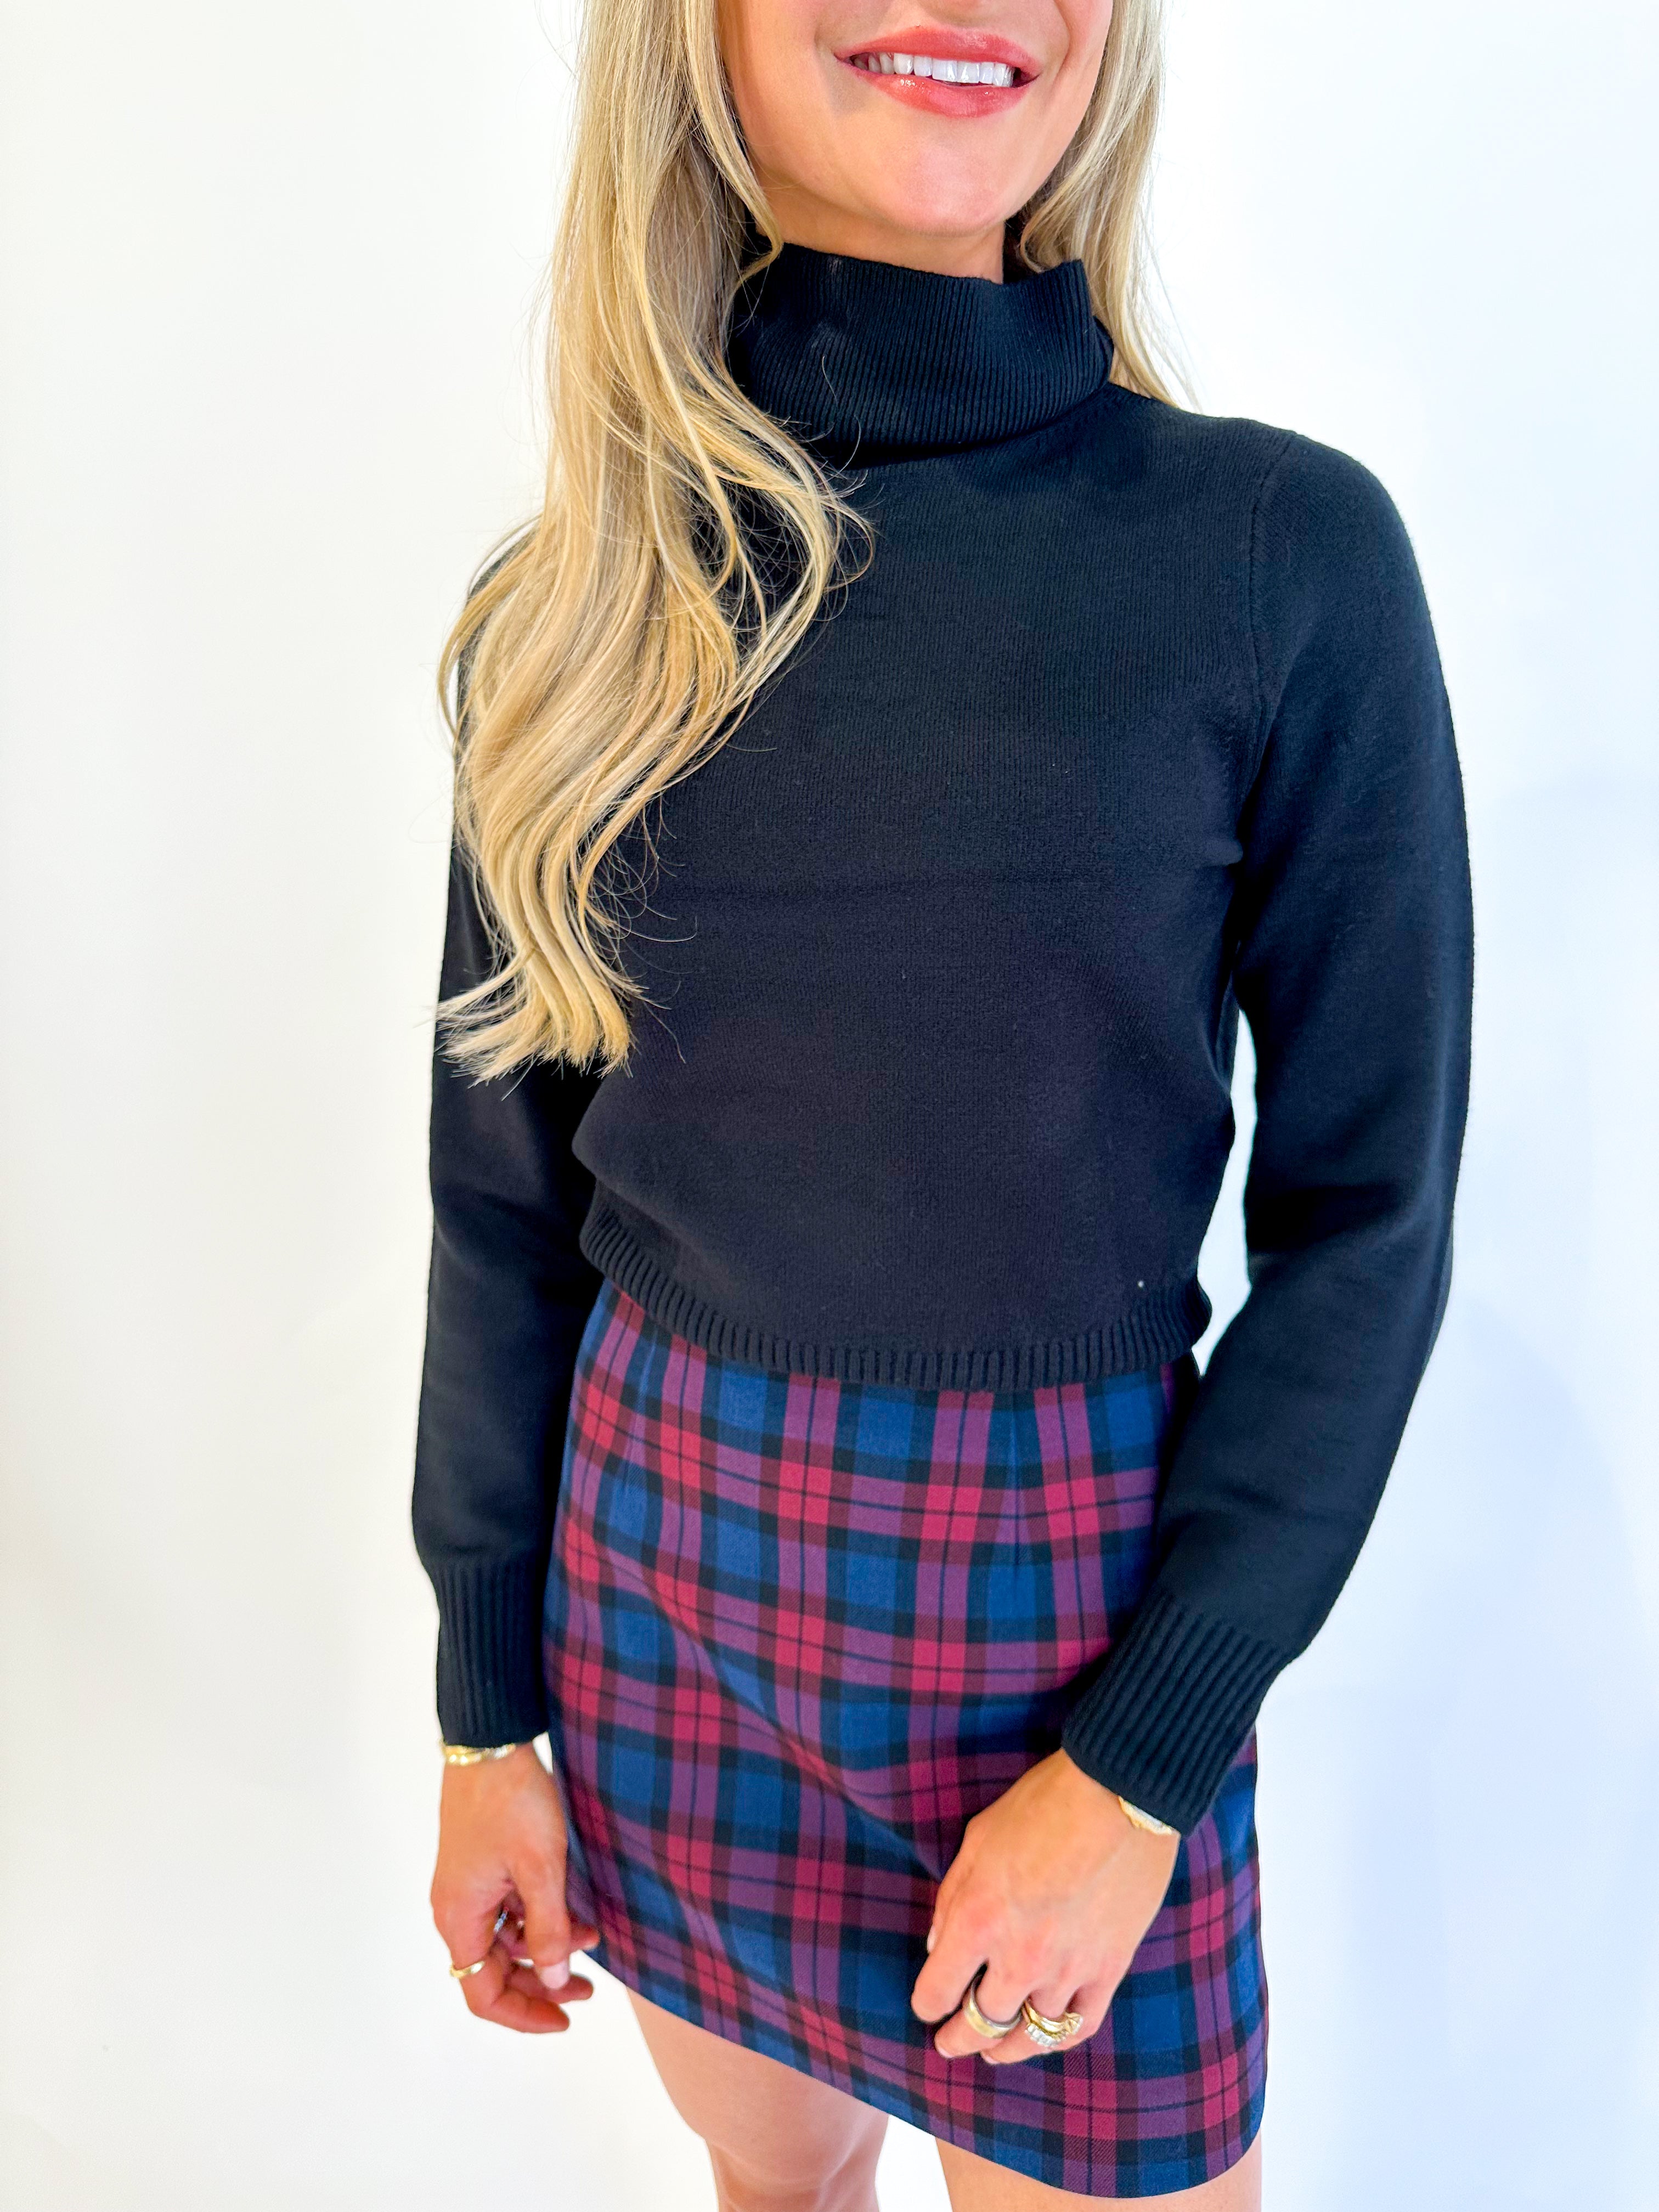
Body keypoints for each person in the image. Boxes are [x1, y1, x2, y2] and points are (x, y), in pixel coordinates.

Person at [411, 0, 1472, 2203]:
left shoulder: (1276, 559)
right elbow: (506, 1209)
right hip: (662, 1613)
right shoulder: (581, 606)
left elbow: (1367, 1222)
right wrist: (484, 1710)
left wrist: (1141, 1767)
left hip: (1072, 1658)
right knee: (776, 2183)